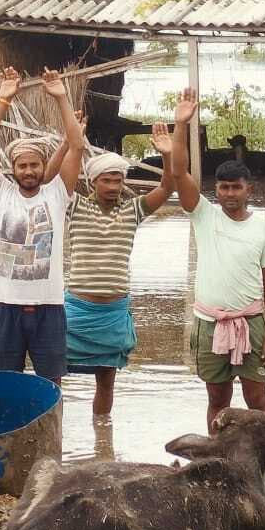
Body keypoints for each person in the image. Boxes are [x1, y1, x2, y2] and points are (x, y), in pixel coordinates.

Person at [44, 121, 176, 414]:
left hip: (113, 314)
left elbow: (168, 186)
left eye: (118, 181)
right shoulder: (75, 206)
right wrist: (72, 142)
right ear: (92, 182)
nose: (114, 187)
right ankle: (53, 430)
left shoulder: (133, 209)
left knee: (106, 381)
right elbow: (51, 182)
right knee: (54, 377)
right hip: (77, 311)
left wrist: (167, 154)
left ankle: (102, 441)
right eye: (107, 181)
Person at [170, 88, 265, 432]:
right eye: (223, 188)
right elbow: (178, 172)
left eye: (236, 187)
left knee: (257, 400)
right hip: (209, 323)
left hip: (252, 323)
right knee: (217, 401)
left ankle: (263, 464)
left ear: (250, 189)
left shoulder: (263, 227)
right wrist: (181, 125)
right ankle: (216, 461)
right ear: (215, 190)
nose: (229, 194)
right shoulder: (205, 215)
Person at [0, 66, 84, 384]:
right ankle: (6, 434)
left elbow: (76, 146)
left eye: (35, 164)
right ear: (13, 168)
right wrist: (3, 100)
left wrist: (62, 98)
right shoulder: (0, 194)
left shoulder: (57, 194)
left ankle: (52, 434)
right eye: (22, 165)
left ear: (43, 165)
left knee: (52, 385)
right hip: (6, 305)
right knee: (3, 384)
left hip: (49, 306)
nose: (29, 170)